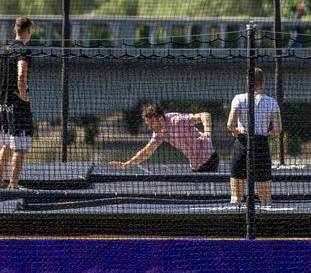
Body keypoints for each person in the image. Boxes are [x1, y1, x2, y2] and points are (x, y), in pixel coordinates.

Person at [0, 16, 34, 189]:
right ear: (28, 31)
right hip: (18, 105)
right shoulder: (23, 51)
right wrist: (22, 94)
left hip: (2, 104)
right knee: (20, 148)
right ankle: (13, 185)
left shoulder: (4, 48)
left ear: (15, 30)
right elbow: (21, 74)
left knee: (6, 145)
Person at [226, 67, 282, 205]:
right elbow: (278, 129)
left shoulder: (238, 98)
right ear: (263, 83)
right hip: (261, 144)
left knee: (236, 197)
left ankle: (236, 224)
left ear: (247, 82)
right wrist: (266, 135)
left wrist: (238, 131)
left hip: (242, 143)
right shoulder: (271, 102)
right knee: (266, 198)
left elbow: (230, 125)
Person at [109, 102, 217, 172]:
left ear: (159, 118)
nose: (150, 127)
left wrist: (207, 131)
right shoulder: (159, 134)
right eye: (148, 125)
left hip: (209, 159)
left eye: (151, 123)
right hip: (196, 166)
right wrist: (127, 164)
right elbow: (146, 152)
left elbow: (205, 115)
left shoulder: (178, 121)